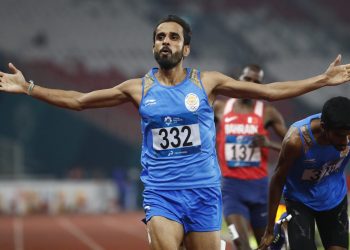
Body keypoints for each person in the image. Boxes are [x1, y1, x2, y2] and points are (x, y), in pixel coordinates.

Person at [0, 15, 350, 250]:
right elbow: (78, 100)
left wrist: (322, 79)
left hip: (204, 193)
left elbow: (270, 92)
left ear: (185, 49)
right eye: (159, 37)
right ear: (154, 47)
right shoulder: (138, 88)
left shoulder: (207, 82)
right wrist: (30, 87)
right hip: (163, 194)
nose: (164, 41)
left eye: (172, 37)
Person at [258, 96, 350, 250]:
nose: (345, 141)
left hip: (334, 197)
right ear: (323, 127)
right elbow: (278, 179)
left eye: (348, 135)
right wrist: (268, 230)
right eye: (340, 135)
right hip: (300, 200)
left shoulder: (346, 134)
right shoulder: (296, 140)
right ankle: (284, 227)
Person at [215, 64, 288, 250]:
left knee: (267, 246)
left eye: (257, 82)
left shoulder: (267, 113)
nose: (251, 84)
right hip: (231, 191)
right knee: (241, 243)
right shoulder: (220, 108)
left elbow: (294, 147)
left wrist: (269, 144)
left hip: (260, 191)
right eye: (248, 79)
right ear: (239, 79)